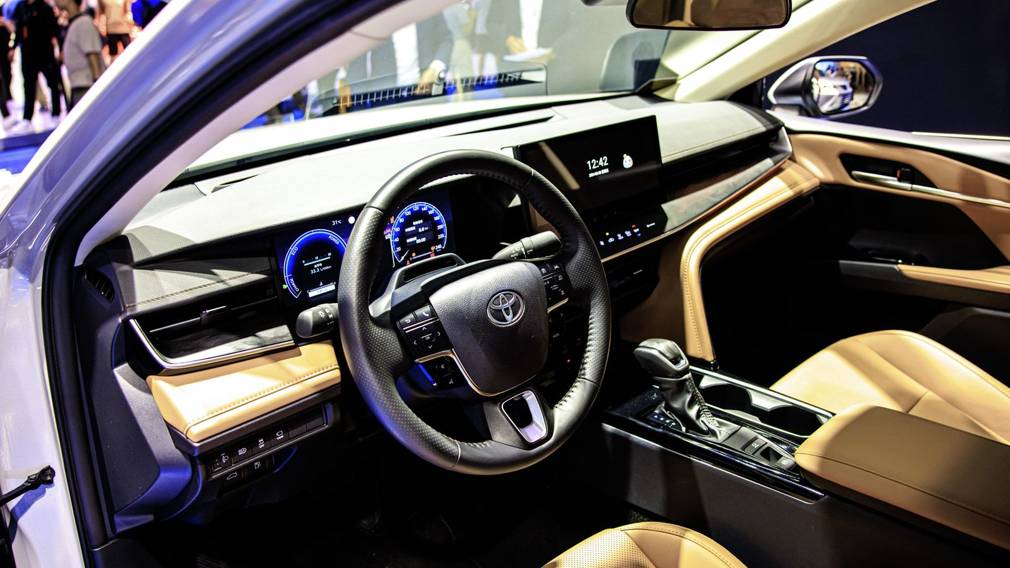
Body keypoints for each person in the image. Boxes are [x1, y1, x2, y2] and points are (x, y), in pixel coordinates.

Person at [10, 0, 63, 133]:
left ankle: (56, 114)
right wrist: (13, 47)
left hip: (45, 51)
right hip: (27, 53)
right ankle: (27, 118)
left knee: (52, 83)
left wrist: (60, 48)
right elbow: (18, 29)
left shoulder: (44, 7)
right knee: (28, 86)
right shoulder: (21, 7)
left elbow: (54, 29)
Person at [57, 0, 103, 110]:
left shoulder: (83, 23)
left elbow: (93, 57)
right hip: (80, 86)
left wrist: (97, 88)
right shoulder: (75, 23)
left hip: (86, 88)